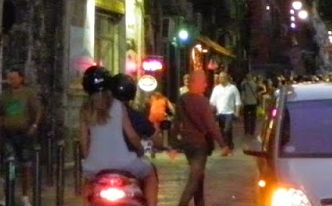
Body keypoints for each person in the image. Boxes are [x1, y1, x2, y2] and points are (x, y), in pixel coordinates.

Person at [79, 69, 158, 206]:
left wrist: (89, 157)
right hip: (124, 162)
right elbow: (132, 136)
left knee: (87, 186)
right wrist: (140, 150)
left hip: (96, 165)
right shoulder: (118, 105)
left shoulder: (85, 109)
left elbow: (84, 140)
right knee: (150, 174)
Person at [174, 78, 225, 206]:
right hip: (200, 143)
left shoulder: (182, 99)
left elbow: (176, 122)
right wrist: (223, 144)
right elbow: (211, 125)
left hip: (187, 143)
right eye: (203, 83)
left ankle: (200, 203)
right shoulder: (202, 101)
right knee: (194, 179)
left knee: (198, 177)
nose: (205, 85)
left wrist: (173, 143)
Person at [0, 68, 44, 204]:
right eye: (10, 78)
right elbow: (0, 115)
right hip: (8, 134)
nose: (11, 81)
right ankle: (8, 193)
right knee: (9, 164)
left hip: (24, 134)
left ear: (21, 79)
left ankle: (25, 194)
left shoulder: (28, 94)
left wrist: (34, 125)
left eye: (14, 78)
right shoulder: (5, 95)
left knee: (25, 165)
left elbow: (38, 111)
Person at [208, 72, 240, 153]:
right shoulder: (216, 89)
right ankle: (228, 145)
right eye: (220, 77)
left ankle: (227, 146)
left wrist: (237, 112)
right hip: (220, 113)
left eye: (222, 77)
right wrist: (210, 112)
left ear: (226, 78)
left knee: (227, 129)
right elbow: (212, 102)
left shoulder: (233, 88)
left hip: (229, 112)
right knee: (222, 131)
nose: (220, 79)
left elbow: (237, 101)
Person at [146, 86, 174, 152]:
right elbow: (172, 109)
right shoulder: (165, 99)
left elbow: (151, 107)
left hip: (153, 116)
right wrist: (171, 115)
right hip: (161, 115)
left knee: (156, 131)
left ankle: (154, 146)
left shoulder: (153, 98)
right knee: (165, 130)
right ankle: (165, 145)